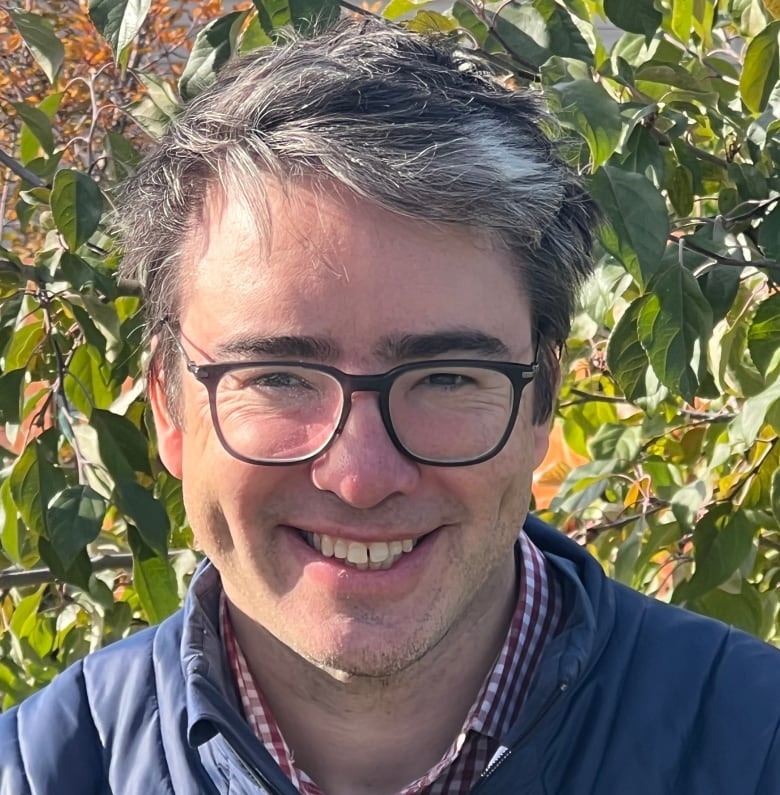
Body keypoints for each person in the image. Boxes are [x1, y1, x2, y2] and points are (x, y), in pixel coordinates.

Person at [2, 17, 779, 795]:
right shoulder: (36, 773)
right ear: (169, 405)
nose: (361, 475)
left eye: (444, 376)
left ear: (541, 398)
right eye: (276, 376)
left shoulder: (756, 744)